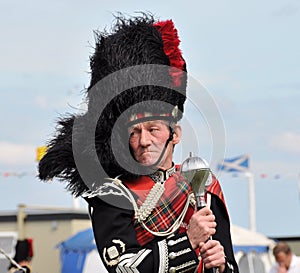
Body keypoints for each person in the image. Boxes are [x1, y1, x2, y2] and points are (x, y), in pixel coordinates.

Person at [38, 14, 239, 273]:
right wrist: (189, 241)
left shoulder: (203, 182)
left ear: (174, 134)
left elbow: (228, 260)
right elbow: (122, 267)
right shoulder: (113, 194)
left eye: (153, 129)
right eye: (134, 132)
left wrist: (221, 266)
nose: (144, 141)